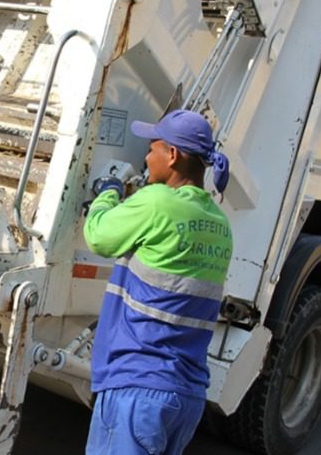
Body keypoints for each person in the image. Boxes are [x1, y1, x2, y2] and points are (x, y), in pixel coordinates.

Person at [83, 110, 234, 455]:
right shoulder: (219, 224)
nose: (147, 157)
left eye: (152, 148)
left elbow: (98, 236)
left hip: (137, 386)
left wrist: (109, 191)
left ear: (173, 155)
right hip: (187, 394)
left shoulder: (156, 203)